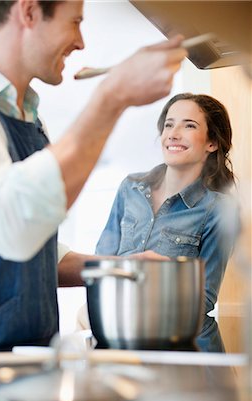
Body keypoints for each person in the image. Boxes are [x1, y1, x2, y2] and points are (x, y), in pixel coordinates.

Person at [0, 0, 187, 353]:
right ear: (29, 12)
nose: (80, 42)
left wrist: (120, 267)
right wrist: (112, 97)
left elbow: (38, 251)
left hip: (30, 360)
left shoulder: (29, 116)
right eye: (75, 21)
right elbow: (13, 222)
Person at [88, 93, 239, 352]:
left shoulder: (219, 209)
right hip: (121, 340)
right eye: (169, 124)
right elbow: (102, 263)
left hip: (186, 352)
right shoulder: (131, 188)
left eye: (189, 125)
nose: (173, 133)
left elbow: (202, 300)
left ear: (212, 142)